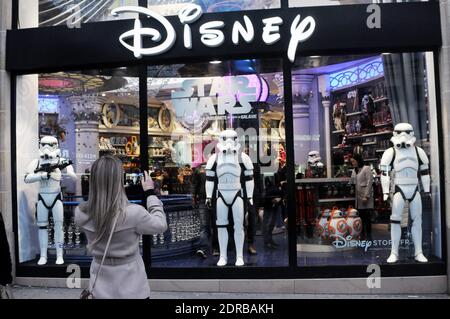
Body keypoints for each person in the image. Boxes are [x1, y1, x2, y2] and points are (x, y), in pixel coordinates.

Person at [75, 155, 167, 299]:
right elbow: (160, 225)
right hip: (132, 287)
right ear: (119, 180)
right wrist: (150, 193)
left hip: (99, 287)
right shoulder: (133, 214)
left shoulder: (81, 213)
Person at [350, 153, 374, 239]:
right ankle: (362, 235)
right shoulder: (354, 170)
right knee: (360, 217)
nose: (353, 163)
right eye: (352, 162)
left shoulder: (366, 168)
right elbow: (352, 181)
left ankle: (369, 236)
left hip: (365, 197)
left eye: (354, 161)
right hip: (358, 198)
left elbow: (369, 182)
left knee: (367, 218)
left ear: (358, 160)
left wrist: (366, 196)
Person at [262, 177, 284, 249]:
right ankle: (268, 241)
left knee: (268, 224)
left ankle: (268, 241)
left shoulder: (267, 189)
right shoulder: (275, 188)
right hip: (272, 206)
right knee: (269, 224)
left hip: (269, 206)